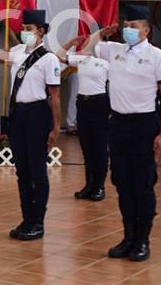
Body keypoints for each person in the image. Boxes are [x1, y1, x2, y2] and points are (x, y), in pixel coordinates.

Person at [83, 5, 161, 262]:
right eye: (126, 25)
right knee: (122, 183)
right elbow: (86, 49)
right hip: (118, 124)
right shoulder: (114, 50)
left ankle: (142, 241)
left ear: (146, 30)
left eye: (135, 26)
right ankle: (128, 237)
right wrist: (103, 31)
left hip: (144, 125)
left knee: (142, 185)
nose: (129, 30)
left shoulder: (158, 57)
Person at [3, 9, 61, 241]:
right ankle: (26, 218)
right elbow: (0, 56)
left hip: (37, 113)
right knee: (22, 171)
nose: (24, 32)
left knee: (37, 171)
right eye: (23, 28)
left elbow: (55, 96)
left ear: (41, 32)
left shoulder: (49, 59)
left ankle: (38, 221)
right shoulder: (17, 52)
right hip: (18, 114)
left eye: (29, 29)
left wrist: (56, 126)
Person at [57, 34, 110, 202]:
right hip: (83, 103)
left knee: (99, 148)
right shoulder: (81, 60)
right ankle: (89, 185)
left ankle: (99, 186)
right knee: (86, 147)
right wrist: (70, 43)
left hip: (99, 103)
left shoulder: (107, 63)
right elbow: (58, 56)